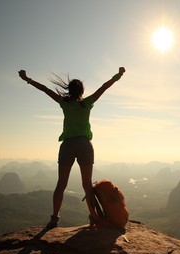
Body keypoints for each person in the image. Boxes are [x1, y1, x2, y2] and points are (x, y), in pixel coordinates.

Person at [18, 67, 125, 228]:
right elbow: (104, 87)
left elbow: (45, 89)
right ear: (81, 91)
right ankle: (94, 217)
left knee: (61, 184)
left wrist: (27, 79)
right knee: (87, 185)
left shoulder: (64, 103)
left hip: (68, 145)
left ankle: (54, 218)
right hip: (84, 145)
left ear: (69, 90)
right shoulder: (87, 103)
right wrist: (118, 75)